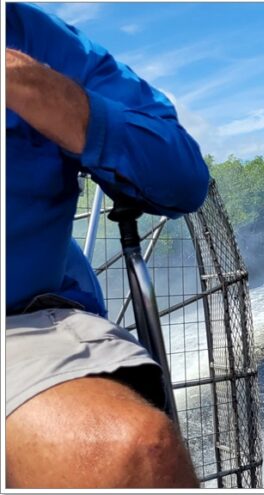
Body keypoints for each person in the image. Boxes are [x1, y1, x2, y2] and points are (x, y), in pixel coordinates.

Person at [5, 3, 209, 488]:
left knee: (126, 451)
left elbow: (182, 180)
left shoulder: (31, 36)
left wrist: (38, 89)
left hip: (17, 325)